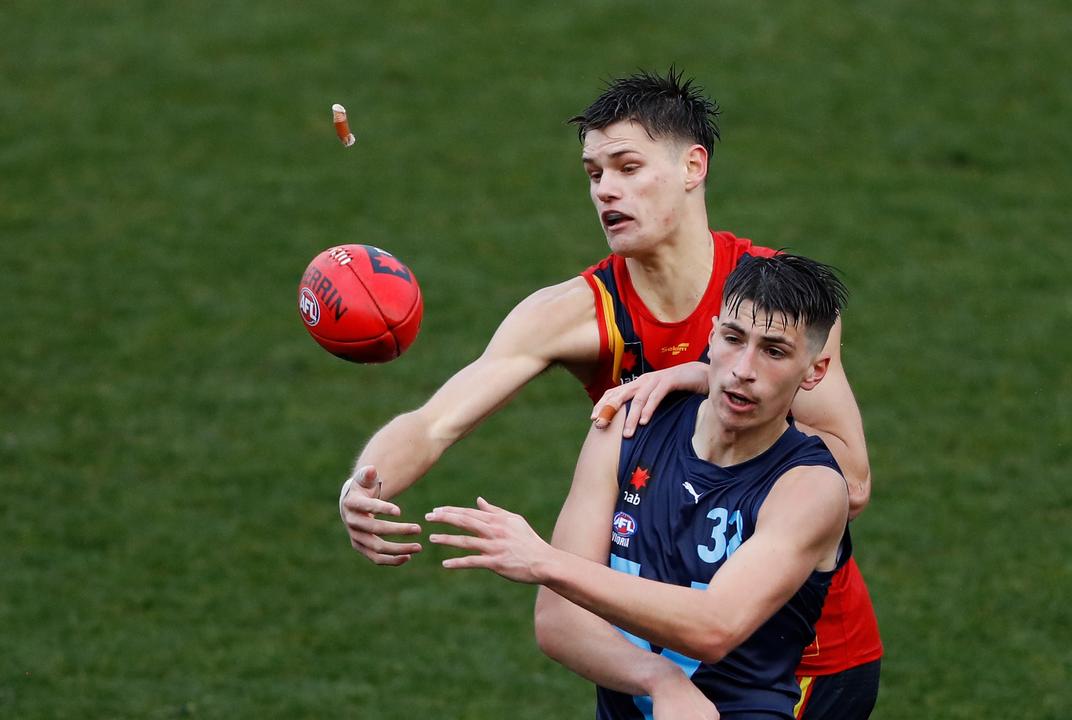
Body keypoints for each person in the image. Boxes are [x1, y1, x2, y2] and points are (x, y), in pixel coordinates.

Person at [337, 69, 880, 717]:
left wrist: (701, 375)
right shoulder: (574, 314)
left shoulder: (777, 310)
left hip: (797, 664)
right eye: (595, 174)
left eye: (628, 167)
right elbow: (434, 423)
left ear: (693, 167)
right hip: (648, 647)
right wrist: (365, 483)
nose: (607, 191)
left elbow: (848, 480)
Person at [428, 254, 853, 719]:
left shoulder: (810, 489)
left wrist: (546, 561)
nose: (742, 369)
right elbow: (558, 621)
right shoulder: (628, 426)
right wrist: (654, 677)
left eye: (774, 351)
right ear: (711, 336)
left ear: (814, 371)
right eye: (733, 339)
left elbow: (714, 626)